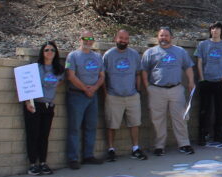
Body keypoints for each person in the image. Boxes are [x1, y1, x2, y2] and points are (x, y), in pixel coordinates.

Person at [141, 27, 196, 157]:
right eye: (161, 36)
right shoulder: (150, 52)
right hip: (156, 90)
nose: (163, 38)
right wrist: (147, 86)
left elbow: (188, 67)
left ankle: (184, 144)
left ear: (171, 37)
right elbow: (143, 70)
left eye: (166, 35)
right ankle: (159, 146)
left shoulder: (180, 51)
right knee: (157, 119)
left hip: (176, 89)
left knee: (180, 118)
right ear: (157, 37)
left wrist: (191, 81)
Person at [102, 29, 146, 162]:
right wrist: (105, 94)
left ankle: (135, 148)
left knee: (134, 123)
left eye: (126, 38)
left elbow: (138, 73)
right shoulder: (108, 55)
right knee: (111, 124)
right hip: (113, 95)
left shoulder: (134, 54)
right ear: (115, 38)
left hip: (132, 95)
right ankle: (111, 149)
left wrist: (138, 90)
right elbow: (103, 76)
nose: (123, 41)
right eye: (121, 38)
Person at [65, 30, 105, 169]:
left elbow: (102, 76)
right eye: (86, 38)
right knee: (74, 128)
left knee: (91, 126)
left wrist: (93, 89)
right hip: (77, 95)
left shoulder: (97, 56)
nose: (88, 41)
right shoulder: (73, 56)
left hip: (92, 96)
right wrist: (85, 88)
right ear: (80, 39)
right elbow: (70, 76)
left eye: (91, 38)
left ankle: (88, 155)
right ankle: (73, 158)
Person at [23, 41, 63, 175]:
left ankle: (43, 163)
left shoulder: (58, 69)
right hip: (35, 105)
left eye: (52, 50)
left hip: (48, 106)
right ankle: (33, 164)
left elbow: (59, 82)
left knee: (44, 136)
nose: (49, 52)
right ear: (42, 52)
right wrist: (28, 102)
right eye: (46, 50)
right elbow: (25, 84)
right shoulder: (35, 67)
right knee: (33, 135)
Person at [194, 22, 222, 145]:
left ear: (221, 31)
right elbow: (199, 62)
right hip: (206, 81)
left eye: (217, 29)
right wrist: (201, 78)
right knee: (204, 110)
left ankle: (218, 134)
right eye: (213, 28)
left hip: (220, 81)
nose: (215, 31)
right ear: (210, 30)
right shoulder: (203, 44)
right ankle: (202, 135)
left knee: (220, 109)